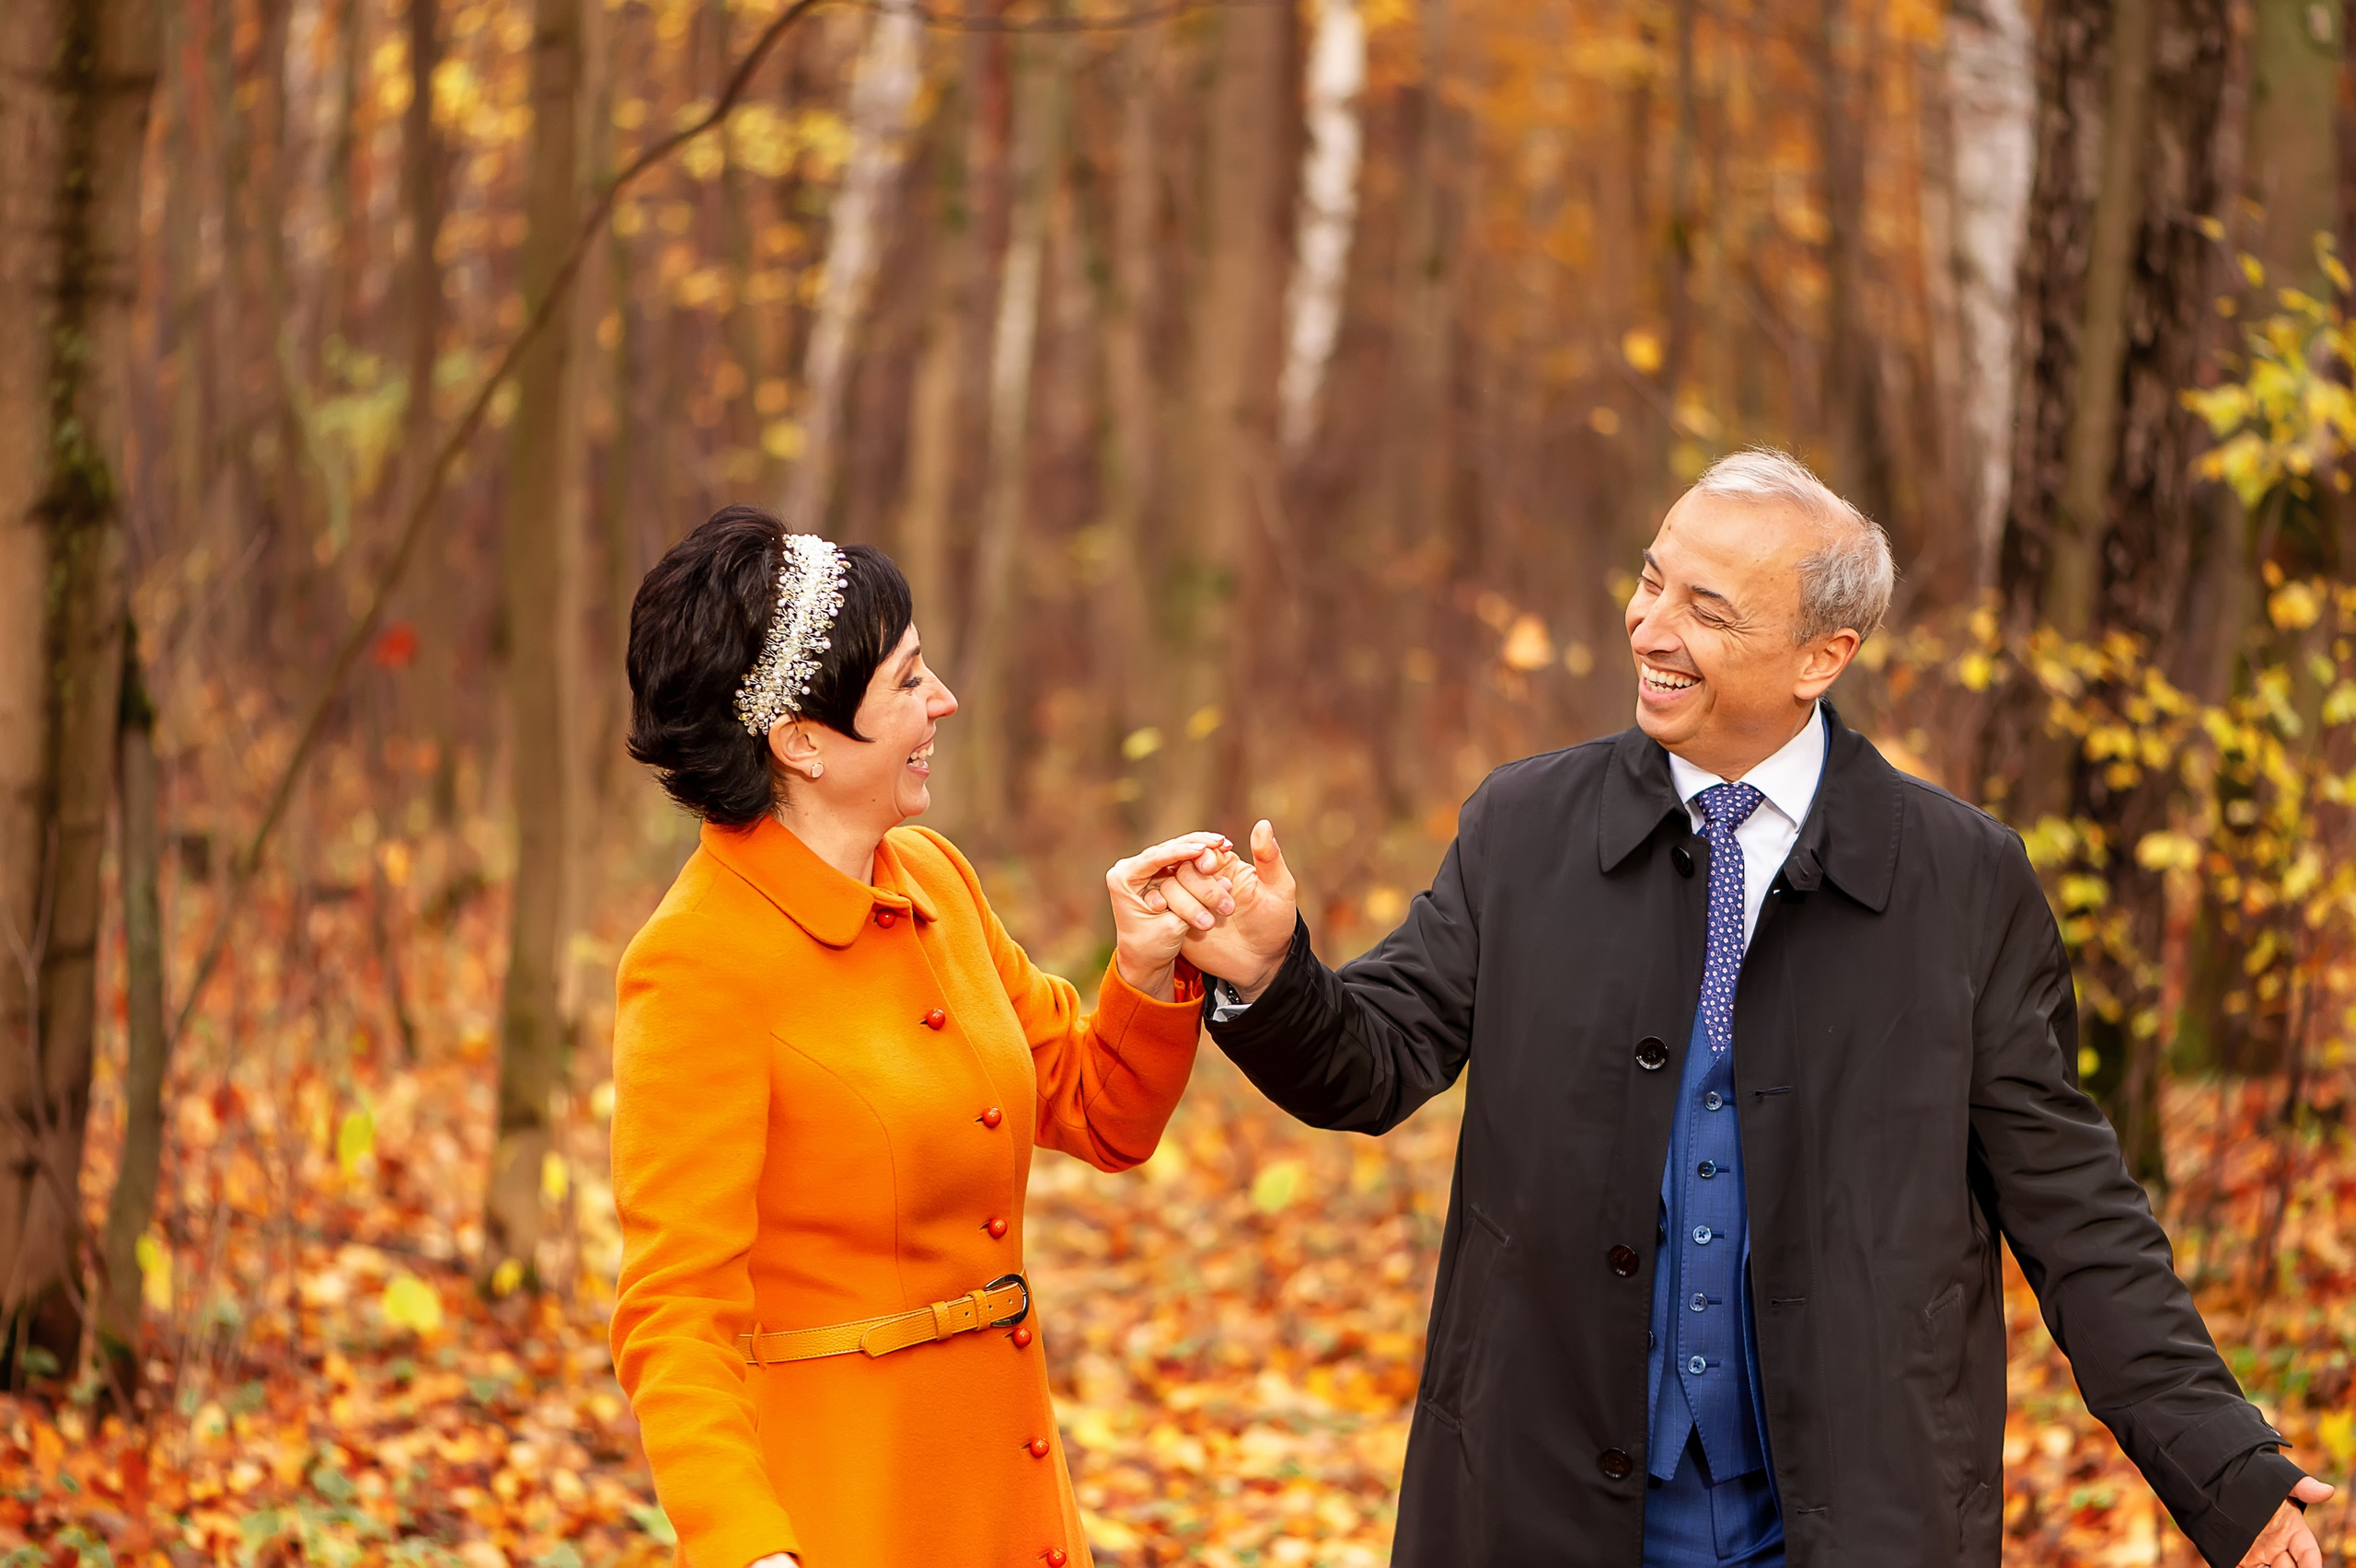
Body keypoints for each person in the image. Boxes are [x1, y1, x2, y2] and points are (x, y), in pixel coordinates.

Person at [1155, 450, 2336, 1567]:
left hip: (1850, 1513)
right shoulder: (1523, 828)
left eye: (1707, 611)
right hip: (1541, 1497)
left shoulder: (1960, 880)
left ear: (1822, 656)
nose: (1649, 628)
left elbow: (2075, 1209)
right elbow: (1372, 1062)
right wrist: (1271, 973)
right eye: (1650, 578)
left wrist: (2228, 1471)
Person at [607, 506, 1234, 1568]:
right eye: (905, 682)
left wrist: (1138, 969)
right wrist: (744, 1547)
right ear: (800, 740)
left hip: (1010, 1500)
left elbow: (1095, 1110)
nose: (943, 700)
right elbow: (675, 1311)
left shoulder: (934, 878)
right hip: (843, 1518)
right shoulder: (697, 962)